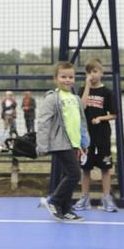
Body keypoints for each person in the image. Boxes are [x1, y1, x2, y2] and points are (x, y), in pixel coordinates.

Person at [36, 61, 89, 222]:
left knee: (68, 175)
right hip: (60, 143)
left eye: (70, 77)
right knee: (74, 174)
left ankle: (66, 209)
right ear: (56, 79)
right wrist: (42, 145)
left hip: (74, 144)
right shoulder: (52, 98)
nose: (67, 80)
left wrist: (84, 143)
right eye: (63, 77)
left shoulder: (76, 99)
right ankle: (54, 201)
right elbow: (43, 122)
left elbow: (81, 122)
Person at [72, 58, 118, 212]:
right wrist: (87, 86)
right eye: (89, 72)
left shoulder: (107, 92)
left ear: (101, 73)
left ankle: (106, 198)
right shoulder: (82, 90)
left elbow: (114, 115)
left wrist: (101, 118)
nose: (92, 75)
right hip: (86, 137)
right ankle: (85, 197)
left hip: (102, 135)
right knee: (85, 168)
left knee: (105, 167)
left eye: (95, 71)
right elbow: (82, 106)